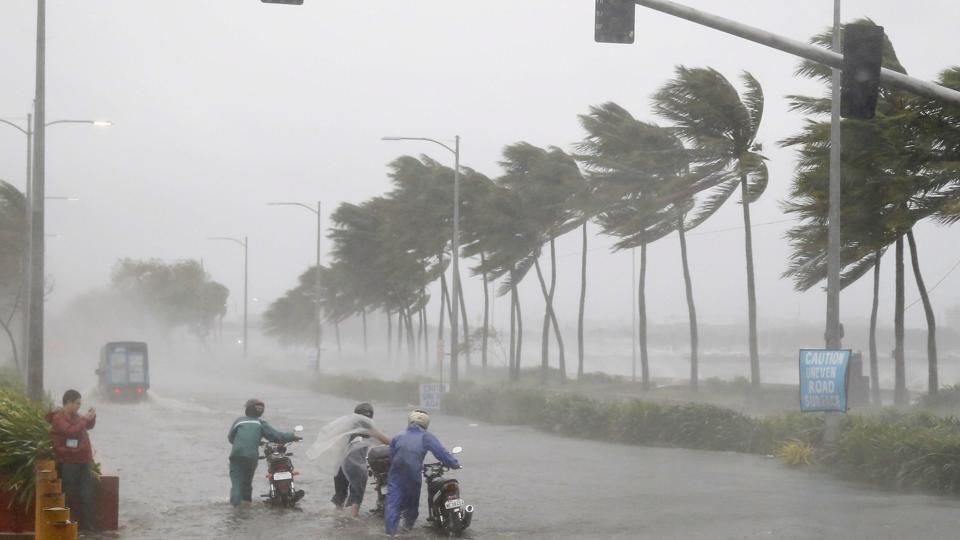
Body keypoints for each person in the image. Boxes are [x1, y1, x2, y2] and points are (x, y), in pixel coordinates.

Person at [384, 409, 459, 537]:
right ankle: (407, 530)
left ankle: (391, 534)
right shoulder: (426, 436)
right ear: (426, 423)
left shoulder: (398, 436)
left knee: (392, 503)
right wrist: (454, 463)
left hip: (396, 473)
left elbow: (392, 456)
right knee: (412, 504)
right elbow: (441, 453)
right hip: (413, 473)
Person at [227, 398, 301, 506]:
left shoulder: (239, 421)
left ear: (247, 409)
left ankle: (235, 509)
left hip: (236, 455)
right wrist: (293, 436)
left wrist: (252, 441)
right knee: (247, 483)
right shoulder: (260, 423)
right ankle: (246, 507)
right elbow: (277, 436)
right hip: (251, 456)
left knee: (237, 483)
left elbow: (231, 438)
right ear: (261, 411)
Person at [47, 389, 97, 531]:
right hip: (69, 461)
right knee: (70, 495)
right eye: (77, 404)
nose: (78, 407)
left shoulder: (76, 416)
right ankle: (70, 528)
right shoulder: (59, 418)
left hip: (83, 460)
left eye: (80, 404)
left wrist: (91, 417)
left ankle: (88, 528)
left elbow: (87, 425)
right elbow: (71, 431)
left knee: (87, 495)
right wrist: (84, 419)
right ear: (68, 402)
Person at [331, 402, 391, 517]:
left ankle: (337, 521)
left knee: (340, 496)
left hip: (339, 465)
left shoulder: (346, 427)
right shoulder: (367, 429)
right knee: (356, 496)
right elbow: (388, 441)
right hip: (355, 466)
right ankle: (353, 521)